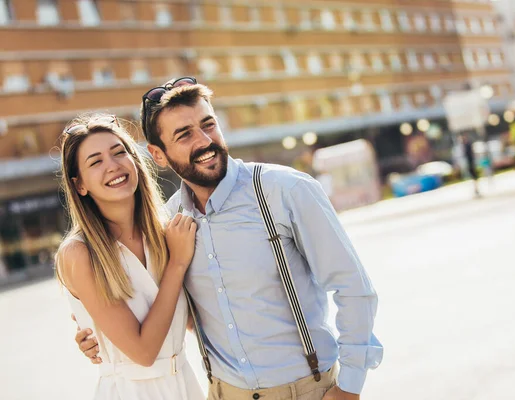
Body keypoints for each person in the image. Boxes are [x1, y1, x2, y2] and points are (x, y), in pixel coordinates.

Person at [76, 77, 383, 399]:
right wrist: (99, 336)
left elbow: (353, 288)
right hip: (224, 392)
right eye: (184, 135)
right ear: (158, 154)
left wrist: (349, 387)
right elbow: (161, 304)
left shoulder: (285, 190)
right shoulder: (168, 220)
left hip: (306, 389)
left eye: (209, 125)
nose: (205, 141)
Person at [56, 114, 204, 399]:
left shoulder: (166, 233)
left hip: (186, 385)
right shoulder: (79, 253)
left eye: (119, 152)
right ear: (80, 186)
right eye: (95, 162)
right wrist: (178, 264)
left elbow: (192, 322)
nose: (113, 166)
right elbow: (143, 353)